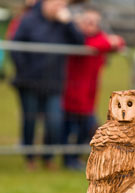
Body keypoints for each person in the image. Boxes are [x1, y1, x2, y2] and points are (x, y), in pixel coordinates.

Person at [11, 0, 84, 171]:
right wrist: (25, 71)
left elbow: (79, 42)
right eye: (55, 3)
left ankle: (48, 156)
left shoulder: (63, 25)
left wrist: (69, 23)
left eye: (62, 4)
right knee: (30, 121)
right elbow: (16, 47)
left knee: (54, 122)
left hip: (54, 83)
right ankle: (29, 158)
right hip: (29, 82)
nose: (58, 7)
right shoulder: (28, 20)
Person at [62, 5, 125, 170]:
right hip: (70, 94)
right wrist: (107, 42)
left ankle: (77, 158)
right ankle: (68, 159)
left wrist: (111, 42)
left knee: (87, 129)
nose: (91, 25)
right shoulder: (76, 39)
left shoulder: (98, 38)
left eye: (95, 22)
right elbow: (93, 45)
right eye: (87, 21)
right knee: (68, 129)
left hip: (88, 96)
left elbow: (119, 42)